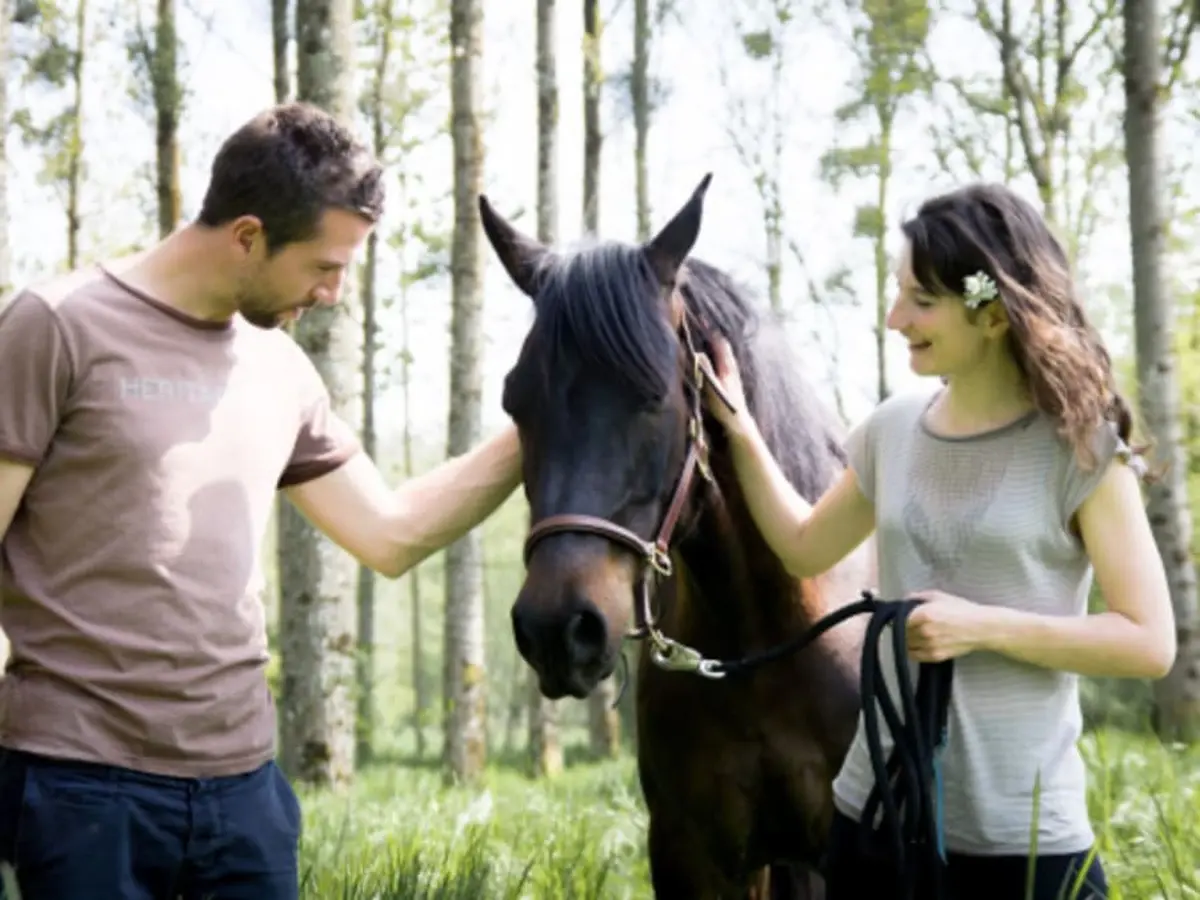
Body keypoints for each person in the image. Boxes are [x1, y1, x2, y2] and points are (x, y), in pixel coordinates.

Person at [0, 102, 522, 899]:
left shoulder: (280, 371)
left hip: (244, 795)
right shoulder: (57, 326)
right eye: (325, 266)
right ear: (247, 235)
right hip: (79, 788)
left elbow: (391, 534)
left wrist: (538, 430)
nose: (336, 292)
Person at [703, 182, 1175, 900]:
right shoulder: (891, 430)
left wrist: (978, 626)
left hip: (1023, 838)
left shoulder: (1082, 452)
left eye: (920, 300)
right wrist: (739, 432)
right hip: (875, 818)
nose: (896, 318)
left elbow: (1148, 641)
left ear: (991, 312)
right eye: (898, 295)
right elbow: (803, 547)